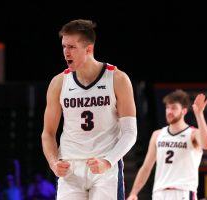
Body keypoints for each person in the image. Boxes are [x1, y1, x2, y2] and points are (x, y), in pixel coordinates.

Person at [41, 19, 137, 200]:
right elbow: (48, 133)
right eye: (63, 46)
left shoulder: (117, 78)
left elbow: (130, 132)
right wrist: (54, 163)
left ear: (89, 49)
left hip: (104, 165)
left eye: (71, 47)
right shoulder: (59, 82)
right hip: (70, 168)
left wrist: (108, 162)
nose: (66, 52)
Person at [127, 89, 207, 200]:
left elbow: (206, 144)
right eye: (167, 108)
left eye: (174, 108)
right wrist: (134, 193)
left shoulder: (192, 133)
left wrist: (199, 114)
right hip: (159, 192)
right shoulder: (157, 135)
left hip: (183, 191)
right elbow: (146, 167)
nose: (169, 111)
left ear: (184, 111)